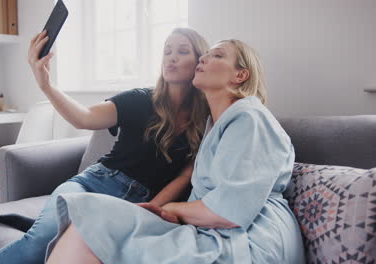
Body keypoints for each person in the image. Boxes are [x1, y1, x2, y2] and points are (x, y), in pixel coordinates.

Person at [44, 39, 306, 264]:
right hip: (212, 229)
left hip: (253, 240)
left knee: (92, 219)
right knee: (92, 220)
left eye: (217, 55)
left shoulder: (250, 117)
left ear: (240, 75)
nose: (204, 58)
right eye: (205, 53)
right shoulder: (214, 125)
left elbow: (228, 212)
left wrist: (172, 208)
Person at [0, 27, 210, 264]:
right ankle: (50, 226)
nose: (172, 57)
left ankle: (60, 224)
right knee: (39, 242)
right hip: (93, 184)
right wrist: (46, 85)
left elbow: (186, 174)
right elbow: (84, 117)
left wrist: (151, 209)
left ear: (199, 62)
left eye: (182, 51)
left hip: (134, 203)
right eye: (167, 51)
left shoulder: (205, 118)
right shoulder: (140, 99)